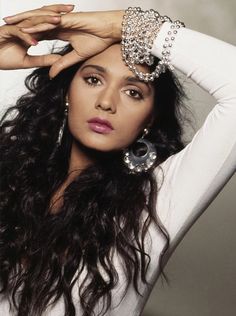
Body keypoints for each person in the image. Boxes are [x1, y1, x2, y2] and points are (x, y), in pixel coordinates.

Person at [0, 3, 235, 316]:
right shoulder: (11, 180)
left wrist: (123, 24)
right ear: (68, 92)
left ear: (150, 118)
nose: (106, 103)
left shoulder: (156, 201)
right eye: (93, 80)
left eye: (133, 92)